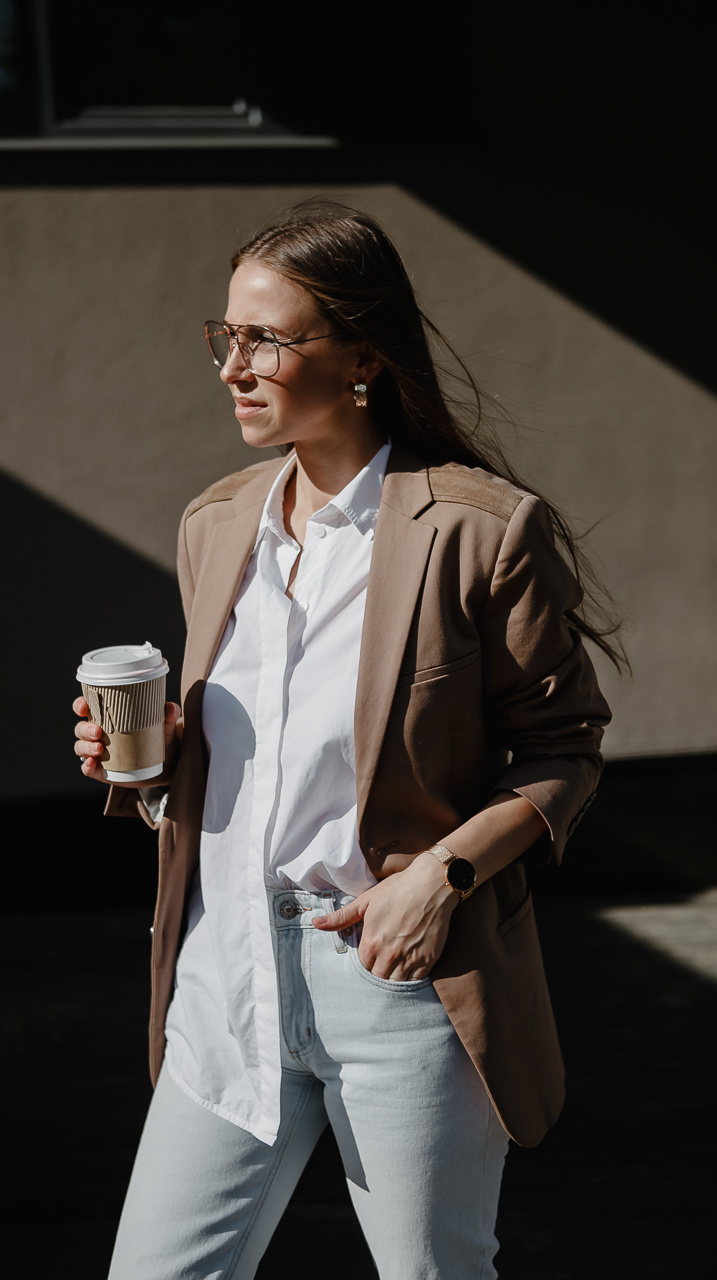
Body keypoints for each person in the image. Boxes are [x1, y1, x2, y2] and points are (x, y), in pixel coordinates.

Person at [73, 201, 616, 1279]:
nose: (234, 364)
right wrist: (160, 763)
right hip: (224, 977)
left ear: (362, 353)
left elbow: (566, 749)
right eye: (226, 336)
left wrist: (444, 876)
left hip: (397, 979)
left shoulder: (476, 528)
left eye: (266, 337)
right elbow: (256, 764)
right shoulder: (214, 523)